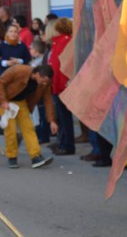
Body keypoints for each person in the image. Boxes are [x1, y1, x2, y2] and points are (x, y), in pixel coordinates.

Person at [0, 65, 57, 169]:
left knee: (29, 128)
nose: (44, 83)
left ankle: (36, 156)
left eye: (46, 81)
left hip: (21, 102)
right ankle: (12, 157)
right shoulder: (19, 70)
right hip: (6, 101)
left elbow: (48, 100)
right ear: (37, 74)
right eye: (43, 80)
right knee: (11, 129)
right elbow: (0, 82)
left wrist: (52, 120)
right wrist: (3, 100)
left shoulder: (45, 83)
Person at [48, 18, 75, 155]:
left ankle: (67, 144)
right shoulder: (62, 41)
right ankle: (63, 141)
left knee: (64, 116)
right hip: (59, 82)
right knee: (62, 116)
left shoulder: (64, 41)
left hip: (62, 84)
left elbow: (61, 66)